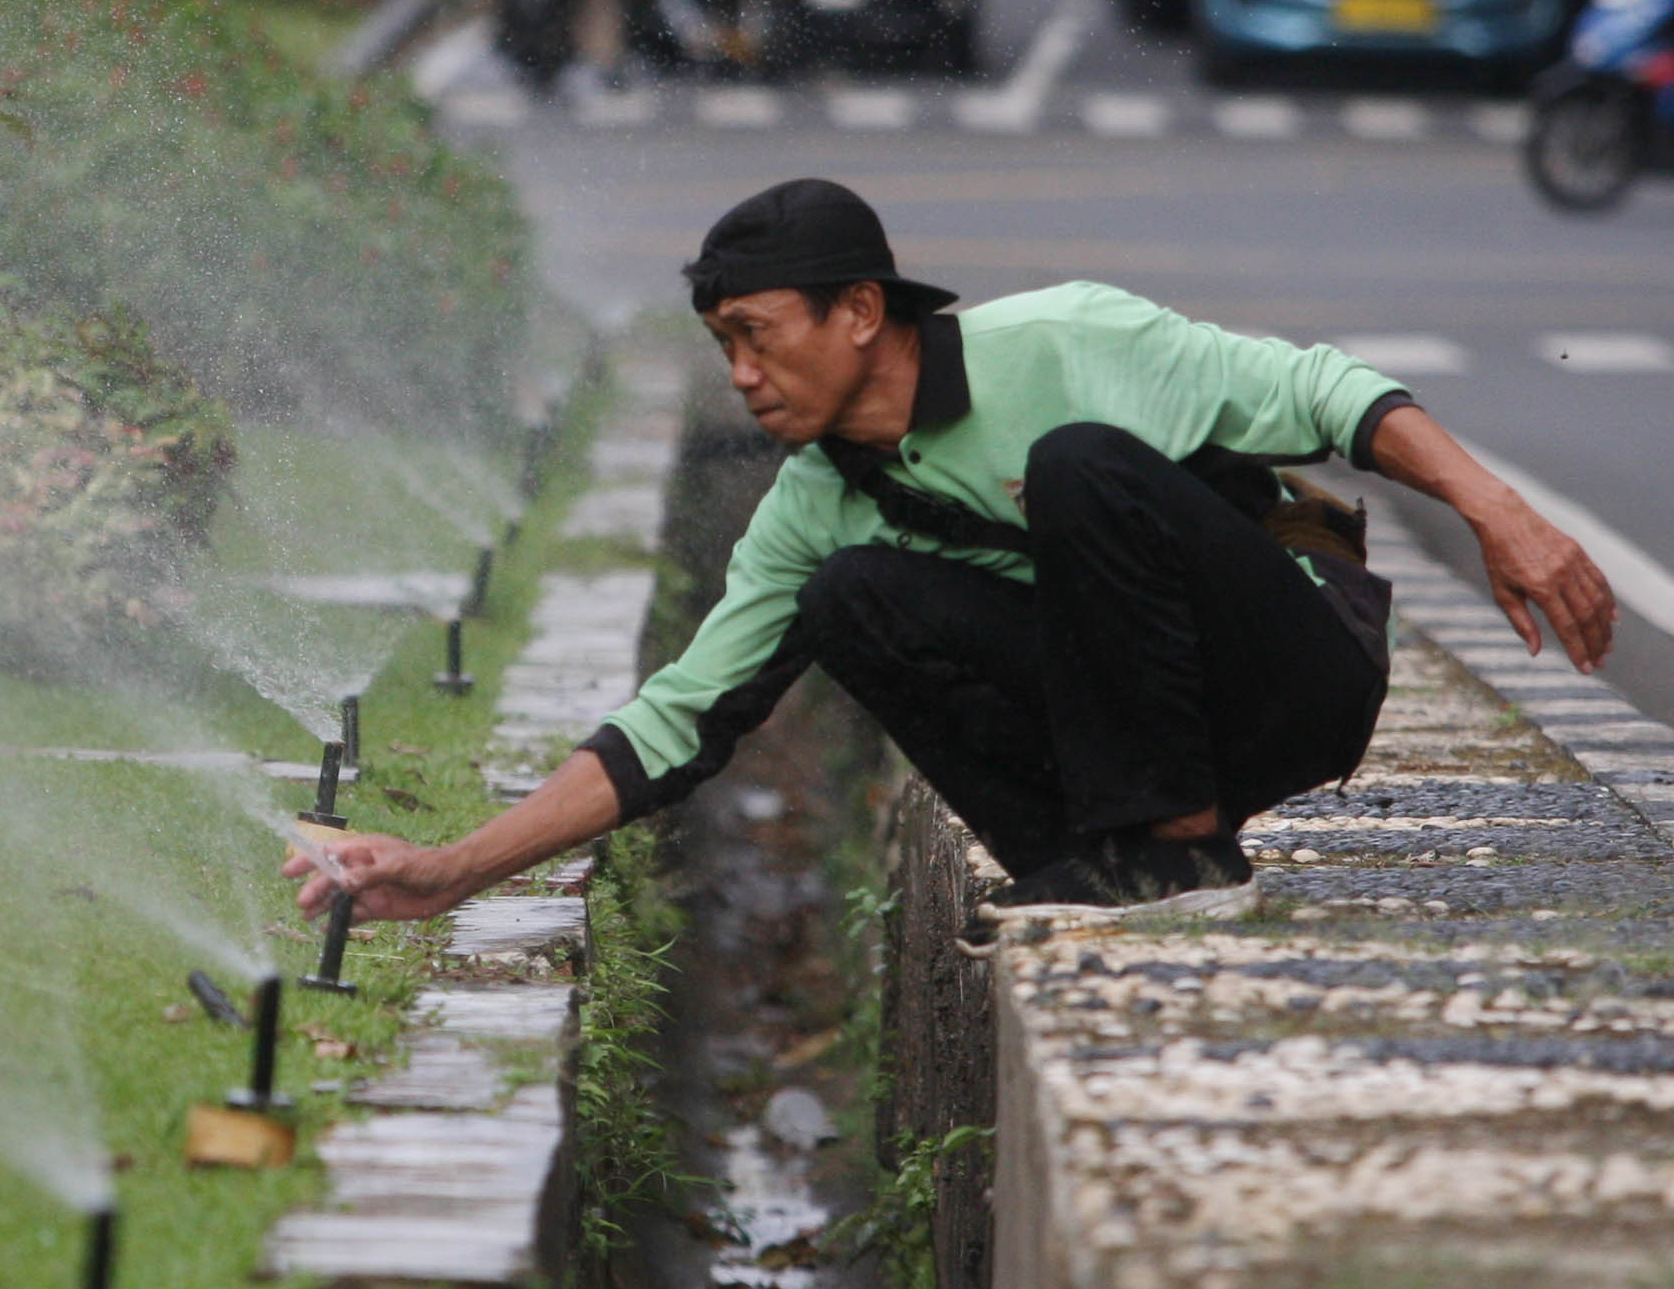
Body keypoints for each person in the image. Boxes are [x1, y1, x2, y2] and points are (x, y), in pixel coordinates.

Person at [289, 179, 1620, 932]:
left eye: (761, 335)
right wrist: (455, 869)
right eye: (723, 350)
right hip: (1132, 714)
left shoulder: (1068, 343)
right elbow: (678, 722)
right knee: (850, 594)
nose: (743, 376)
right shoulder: (815, 496)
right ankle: (1089, 856)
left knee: (1079, 465)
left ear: (861, 313)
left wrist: (1501, 513)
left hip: (1293, 670)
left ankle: (1179, 852)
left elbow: (1331, 395)